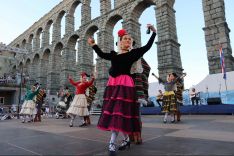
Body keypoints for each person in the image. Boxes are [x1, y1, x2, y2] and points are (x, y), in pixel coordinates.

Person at [88, 24, 156, 155]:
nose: (128, 40)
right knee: (117, 113)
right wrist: (93, 44)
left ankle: (112, 143)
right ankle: (125, 140)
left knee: (120, 112)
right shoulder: (114, 55)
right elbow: (101, 54)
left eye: (130, 39)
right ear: (120, 41)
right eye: (125, 38)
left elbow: (147, 46)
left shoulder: (134, 54)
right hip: (113, 84)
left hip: (125, 84)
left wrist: (153, 32)